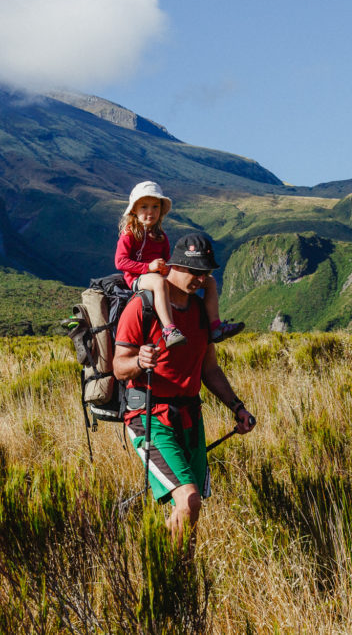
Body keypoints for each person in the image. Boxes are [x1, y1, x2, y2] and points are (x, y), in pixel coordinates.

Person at [113, 232, 256, 553]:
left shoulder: (201, 313)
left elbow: (210, 370)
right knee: (189, 498)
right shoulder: (142, 308)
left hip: (190, 417)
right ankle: (161, 569)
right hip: (149, 417)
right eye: (195, 272)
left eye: (206, 273)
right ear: (172, 267)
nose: (201, 279)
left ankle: (176, 573)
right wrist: (139, 360)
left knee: (190, 506)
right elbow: (119, 367)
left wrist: (237, 407)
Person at [115, 181, 243, 348]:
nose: (150, 212)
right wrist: (148, 268)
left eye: (155, 207)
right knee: (158, 282)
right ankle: (169, 329)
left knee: (209, 281)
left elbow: (167, 259)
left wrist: (167, 269)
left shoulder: (161, 236)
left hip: (158, 274)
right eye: (144, 207)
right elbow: (120, 262)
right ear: (134, 210)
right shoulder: (129, 234)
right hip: (137, 279)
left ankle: (215, 326)